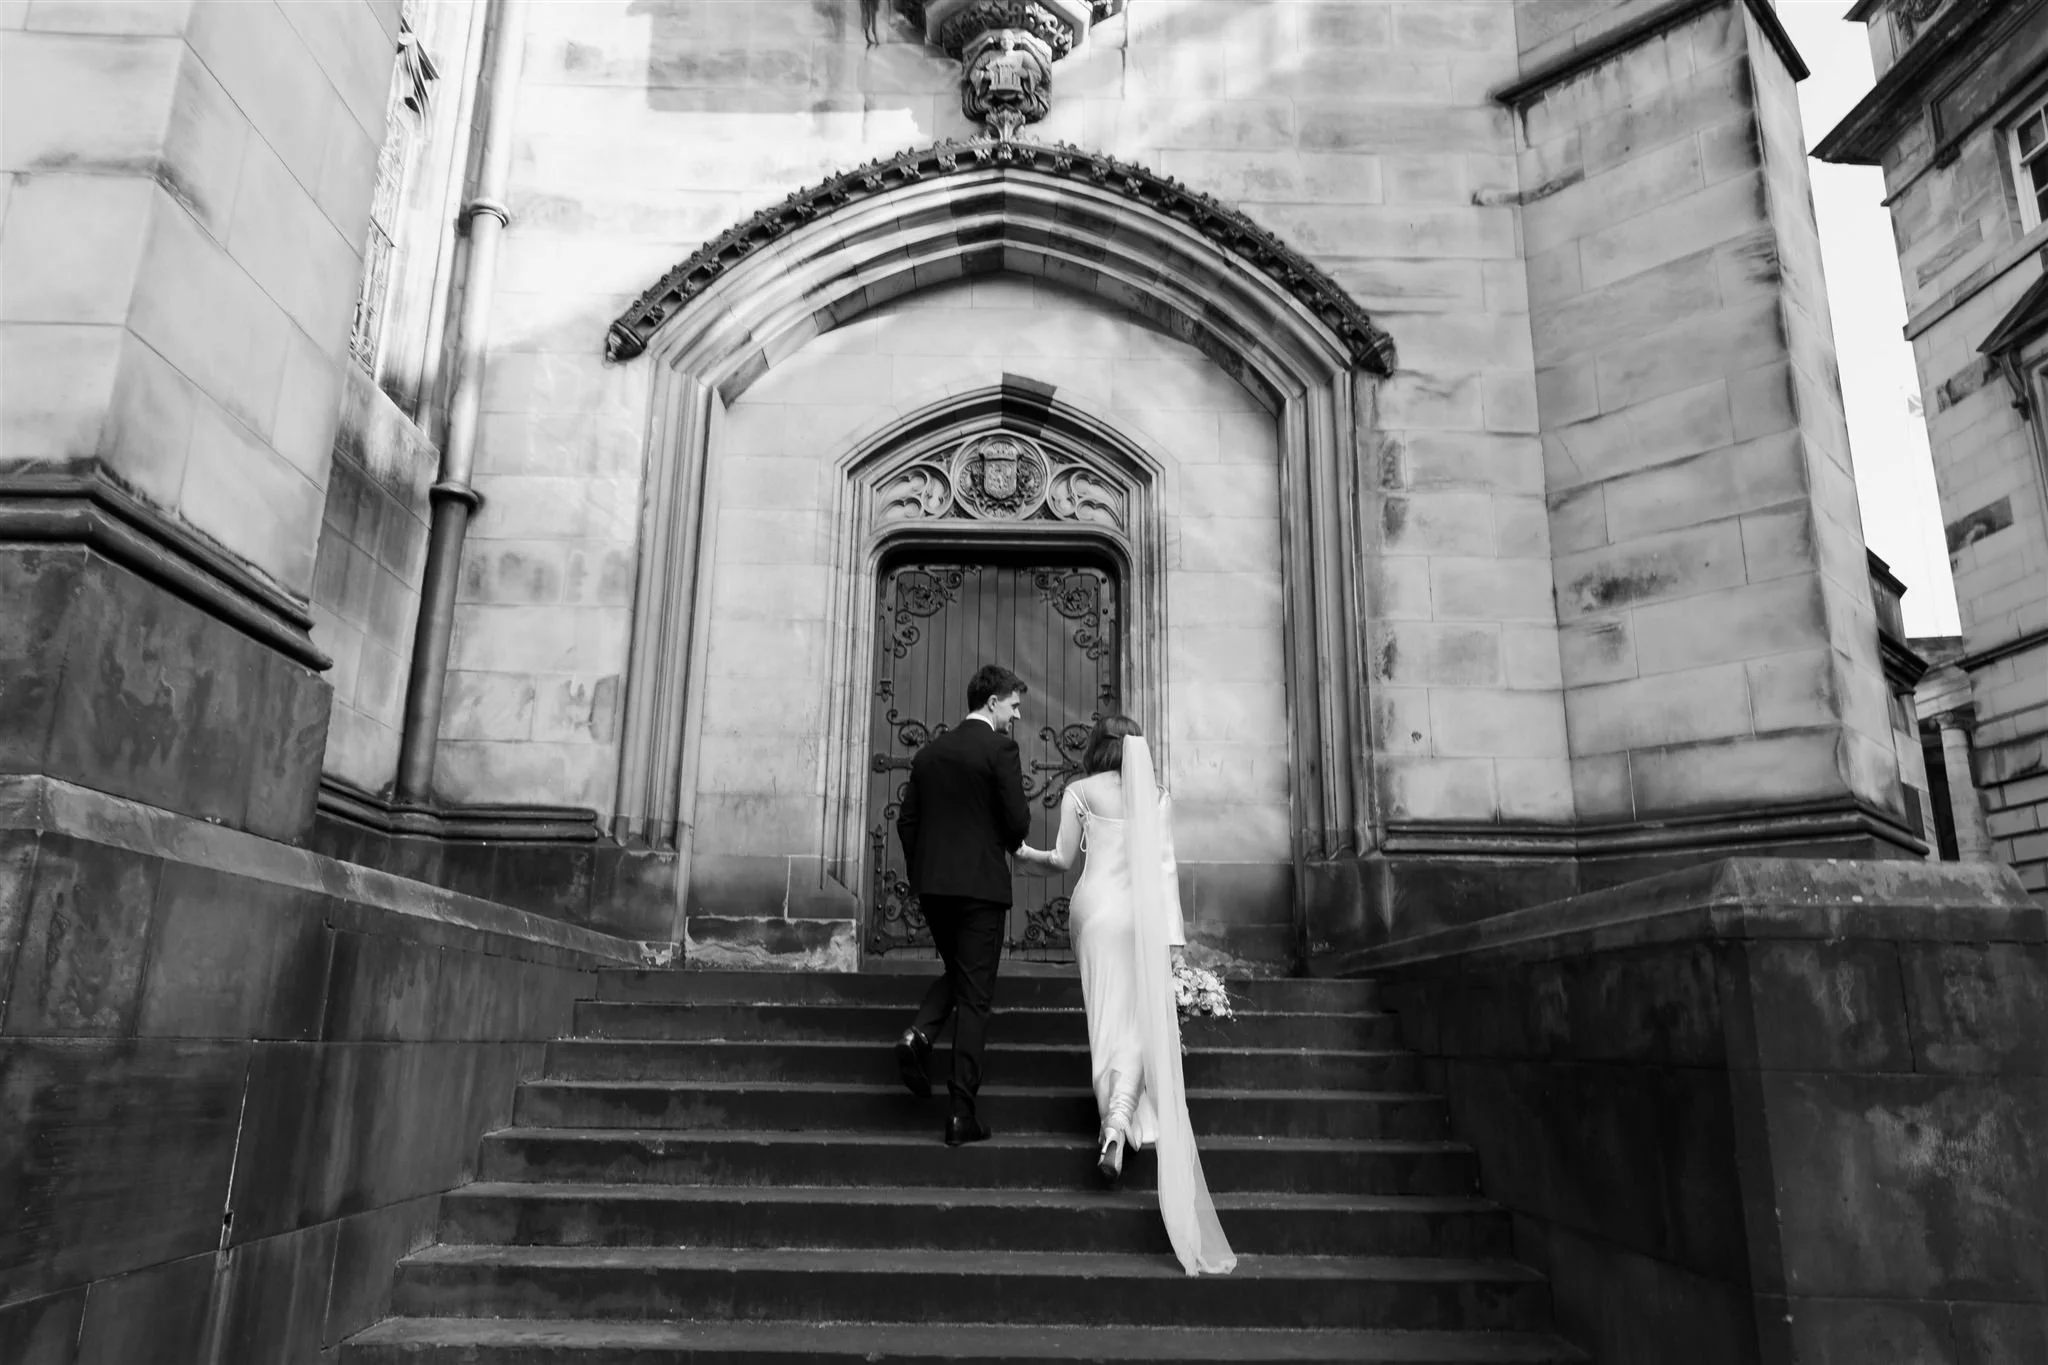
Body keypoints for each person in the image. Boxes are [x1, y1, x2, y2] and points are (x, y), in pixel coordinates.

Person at [1015, 715, 1236, 1276]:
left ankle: (1113, 1120)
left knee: (1107, 1023)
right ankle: (1116, 1124)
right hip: (1141, 919)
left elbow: (1063, 861)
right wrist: (1175, 945)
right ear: (1137, 746)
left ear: (1097, 746)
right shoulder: (1156, 795)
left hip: (1094, 914)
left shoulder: (1079, 791)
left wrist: (1024, 854)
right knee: (1140, 1022)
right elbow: (1164, 871)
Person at [893, 664, 1032, 1146]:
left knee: (960, 974)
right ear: (992, 702)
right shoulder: (1000, 749)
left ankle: (919, 1036)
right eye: (1013, 705)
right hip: (980, 891)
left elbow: (906, 822)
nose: (1016, 716)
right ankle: (960, 1114)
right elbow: (1017, 826)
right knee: (975, 996)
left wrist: (922, 873)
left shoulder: (929, 754)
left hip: (935, 889)